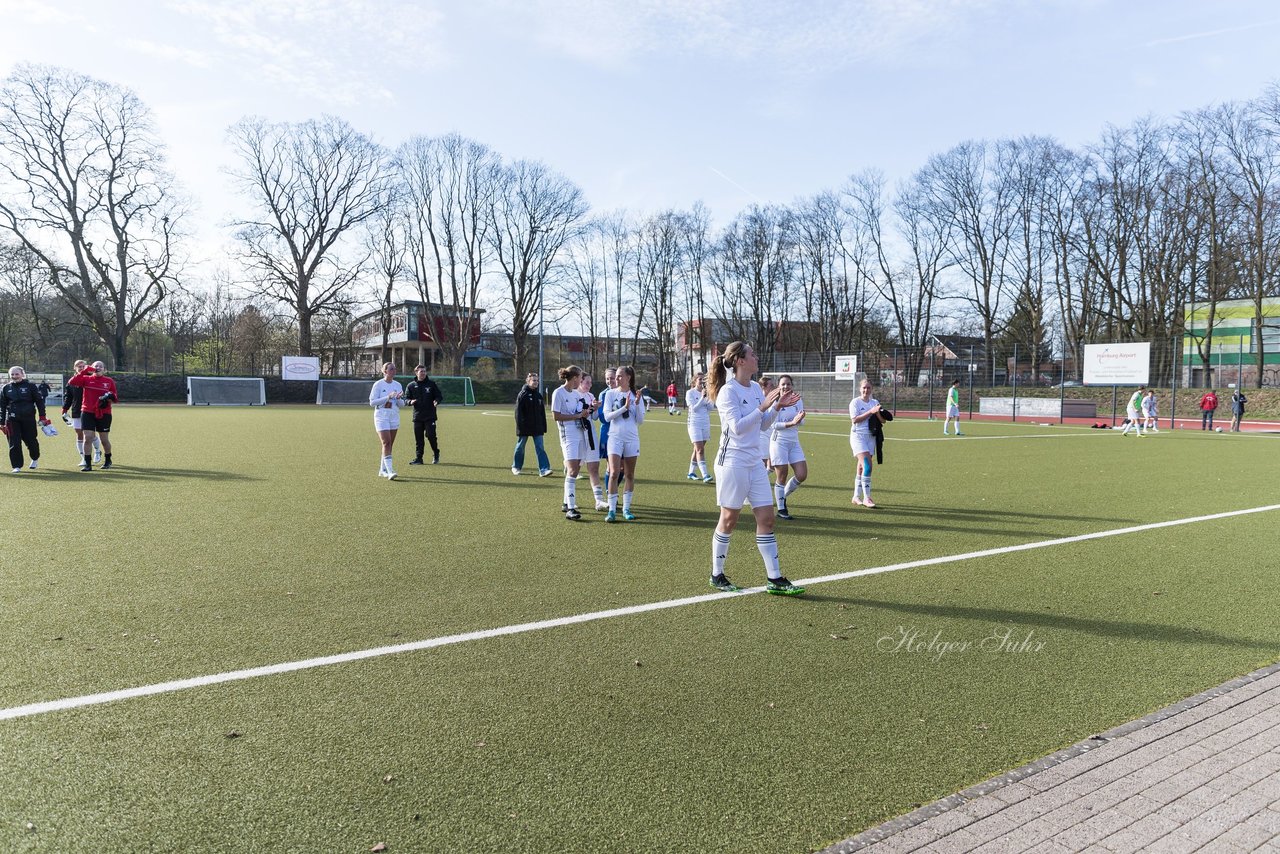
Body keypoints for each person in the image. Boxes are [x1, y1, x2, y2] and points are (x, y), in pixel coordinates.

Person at [706, 342, 804, 596]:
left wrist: (777, 407)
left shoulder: (756, 390)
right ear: (740, 360)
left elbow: (761, 426)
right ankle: (717, 574)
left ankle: (775, 578)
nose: (756, 357)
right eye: (752, 354)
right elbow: (737, 427)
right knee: (729, 519)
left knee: (767, 518)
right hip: (733, 463)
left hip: (754, 463)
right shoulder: (728, 392)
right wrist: (763, 407)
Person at [601, 365, 646, 522]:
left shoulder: (636, 395)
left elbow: (640, 420)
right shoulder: (610, 394)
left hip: (632, 438)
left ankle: (627, 509)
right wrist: (624, 408)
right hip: (614, 437)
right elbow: (607, 417)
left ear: (629, 378)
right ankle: (612, 510)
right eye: (616, 376)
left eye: (620, 376)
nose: (616, 379)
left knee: (629, 474)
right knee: (614, 473)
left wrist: (638, 404)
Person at [552, 365, 596, 521]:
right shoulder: (558, 393)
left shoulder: (576, 395)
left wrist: (591, 409)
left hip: (579, 434)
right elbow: (556, 416)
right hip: (568, 435)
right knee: (571, 470)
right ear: (575, 378)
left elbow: (581, 413)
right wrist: (577, 416)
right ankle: (571, 508)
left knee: (576, 469)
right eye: (580, 378)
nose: (581, 381)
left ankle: (566, 502)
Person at [66, 361, 118, 471]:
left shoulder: (109, 381)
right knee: (87, 438)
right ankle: (88, 464)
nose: (98, 367)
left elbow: (115, 398)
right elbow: (72, 382)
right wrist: (84, 370)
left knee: (104, 440)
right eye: (95, 366)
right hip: (87, 412)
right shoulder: (86, 378)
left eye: (100, 366)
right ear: (92, 368)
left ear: (104, 369)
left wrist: (110, 396)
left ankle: (108, 460)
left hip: (104, 413)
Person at [769, 374, 807, 521]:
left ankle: (781, 497)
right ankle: (781, 509)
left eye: (788, 384)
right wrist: (792, 423)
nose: (786, 387)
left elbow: (800, 422)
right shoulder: (775, 401)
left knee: (802, 474)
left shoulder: (797, 400)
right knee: (782, 475)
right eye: (783, 384)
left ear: (792, 385)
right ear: (779, 386)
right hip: (779, 441)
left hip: (794, 441)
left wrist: (800, 419)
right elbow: (773, 425)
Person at [2, 366, 50, 473]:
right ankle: (16, 466)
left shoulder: (31, 386)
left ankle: (34, 458)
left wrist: (42, 417)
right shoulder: (5, 388)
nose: (14, 376)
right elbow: (2, 406)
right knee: (14, 442)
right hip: (12, 419)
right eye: (12, 374)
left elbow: (39, 402)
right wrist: (1, 423)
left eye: (17, 374)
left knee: (31, 441)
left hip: (28, 419)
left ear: (22, 374)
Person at [850, 378, 884, 507]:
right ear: (860, 389)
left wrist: (880, 413)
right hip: (858, 436)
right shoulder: (855, 402)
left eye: (868, 388)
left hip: (871, 437)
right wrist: (871, 412)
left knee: (861, 468)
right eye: (864, 387)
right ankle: (867, 498)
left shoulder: (875, 402)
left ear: (872, 389)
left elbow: (882, 421)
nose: (866, 390)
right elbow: (855, 420)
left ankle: (856, 496)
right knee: (868, 467)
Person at [61, 359, 102, 464]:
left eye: (83, 366)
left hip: (90, 410)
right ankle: (83, 457)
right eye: (79, 366)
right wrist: (64, 410)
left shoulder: (91, 378)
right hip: (77, 410)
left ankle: (97, 451)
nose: (81, 368)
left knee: (90, 434)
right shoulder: (72, 381)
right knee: (79, 433)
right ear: (74, 368)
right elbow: (68, 397)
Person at [369, 362, 404, 480]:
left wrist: (398, 398)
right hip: (381, 415)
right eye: (391, 369)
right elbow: (372, 402)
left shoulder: (398, 385)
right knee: (386, 442)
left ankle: (382, 470)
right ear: (385, 371)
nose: (394, 371)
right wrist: (387, 397)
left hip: (393, 415)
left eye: (394, 369)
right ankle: (390, 471)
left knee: (389, 445)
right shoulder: (378, 384)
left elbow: (401, 404)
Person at [578, 372, 608, 511]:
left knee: (594, 468)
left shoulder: (591, 396)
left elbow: (594, 417)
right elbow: (579, 414)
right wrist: (591, 408)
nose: (590, 385)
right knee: (574, 469)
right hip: (577, 436)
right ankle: (567, 500)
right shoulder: (573, 395)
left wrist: (596, 408)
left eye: (591, 382)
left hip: (590, 435)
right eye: (587, 382)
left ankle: (599, 500)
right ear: (580, 382)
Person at [513, 372, 552, 477]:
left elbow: (542, 413)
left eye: (537, 380)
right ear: (528, 381)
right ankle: (516, 467)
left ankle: (544, 469)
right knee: (520, 446)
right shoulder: (522, 394)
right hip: (525, 427)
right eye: (534, 380)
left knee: (540, 447)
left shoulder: (539, 396)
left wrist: (543, 426)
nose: (536, 382)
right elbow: (518, 413)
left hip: (537, 427)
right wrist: (520, 427)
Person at [404, 366, 443, 464]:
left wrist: (436, 401)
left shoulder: (431, 384)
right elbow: (405, 399)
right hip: (417, 416)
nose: (423, 373)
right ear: (416, 372)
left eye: (425, 371)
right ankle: (419, 458)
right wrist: (410, 402)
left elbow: (439, 396)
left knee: (431, 435)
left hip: (430, 416)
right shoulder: (411, 385)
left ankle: (436, 452)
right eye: (421, 371)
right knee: (419, 438)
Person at [685, 371, 714, 483]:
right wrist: (702, 398)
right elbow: (694, 409)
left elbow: (711, 408)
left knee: (697, 449)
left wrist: (707, 398)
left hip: (705, 423)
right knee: (700, 450)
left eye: (704, 380)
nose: (702, 382)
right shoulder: (690, 393)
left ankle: (691, 472)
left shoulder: (707, 392)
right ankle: (705, 474)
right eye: (700, 379)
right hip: (694, 423)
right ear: (695, 381)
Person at [596, 368, 617, 492]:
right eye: (607, 378)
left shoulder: (624, 392)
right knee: (611, 466)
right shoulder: (603, 394)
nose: (610, 381)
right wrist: (618, 415)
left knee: (622, 468)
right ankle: (610, 492)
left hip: (623, 433)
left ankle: (612, 490)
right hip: (608, 433)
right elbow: (603, 418)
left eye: (612, 378)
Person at [757, 375, 774, 469]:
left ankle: (762, 480)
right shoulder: (759, 399)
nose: (773, 387)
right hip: (762, 434)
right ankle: (757, 482)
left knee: (772, 465)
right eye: (770, 385)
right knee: (762, 462)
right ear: (763, 386)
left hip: (772, 433)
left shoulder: (773, 398)